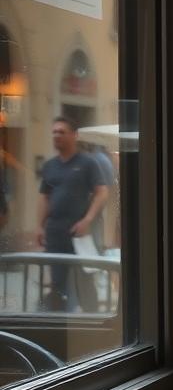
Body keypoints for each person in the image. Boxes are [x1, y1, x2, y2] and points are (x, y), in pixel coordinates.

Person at [36, 116, 109, 312]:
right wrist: (40, 226)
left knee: (85, 281)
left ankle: (94, 322)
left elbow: (102, 192)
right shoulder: (50, 166)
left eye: (62, 131)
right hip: (55, 233)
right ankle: (58, 323)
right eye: (54, 132)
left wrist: (88, 220)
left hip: (79, 234)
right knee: (57, 282)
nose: (57, 135)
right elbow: (44, 197)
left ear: (74, 136)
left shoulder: (87, 163)